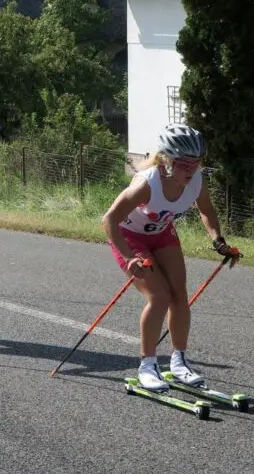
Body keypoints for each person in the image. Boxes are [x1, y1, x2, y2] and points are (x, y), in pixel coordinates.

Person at [102, 124, 240, 392]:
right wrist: (129, 257)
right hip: (130, 237)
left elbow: (207, 211)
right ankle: (147, 366)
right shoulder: (147, 183)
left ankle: (178, 362)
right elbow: (109, 220)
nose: (190, 170)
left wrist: (218, 241)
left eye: (196, 163)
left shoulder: (197, 181)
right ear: (166, 159)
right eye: (183, 164)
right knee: (159, 296)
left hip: (162, 234)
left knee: (179, 295)